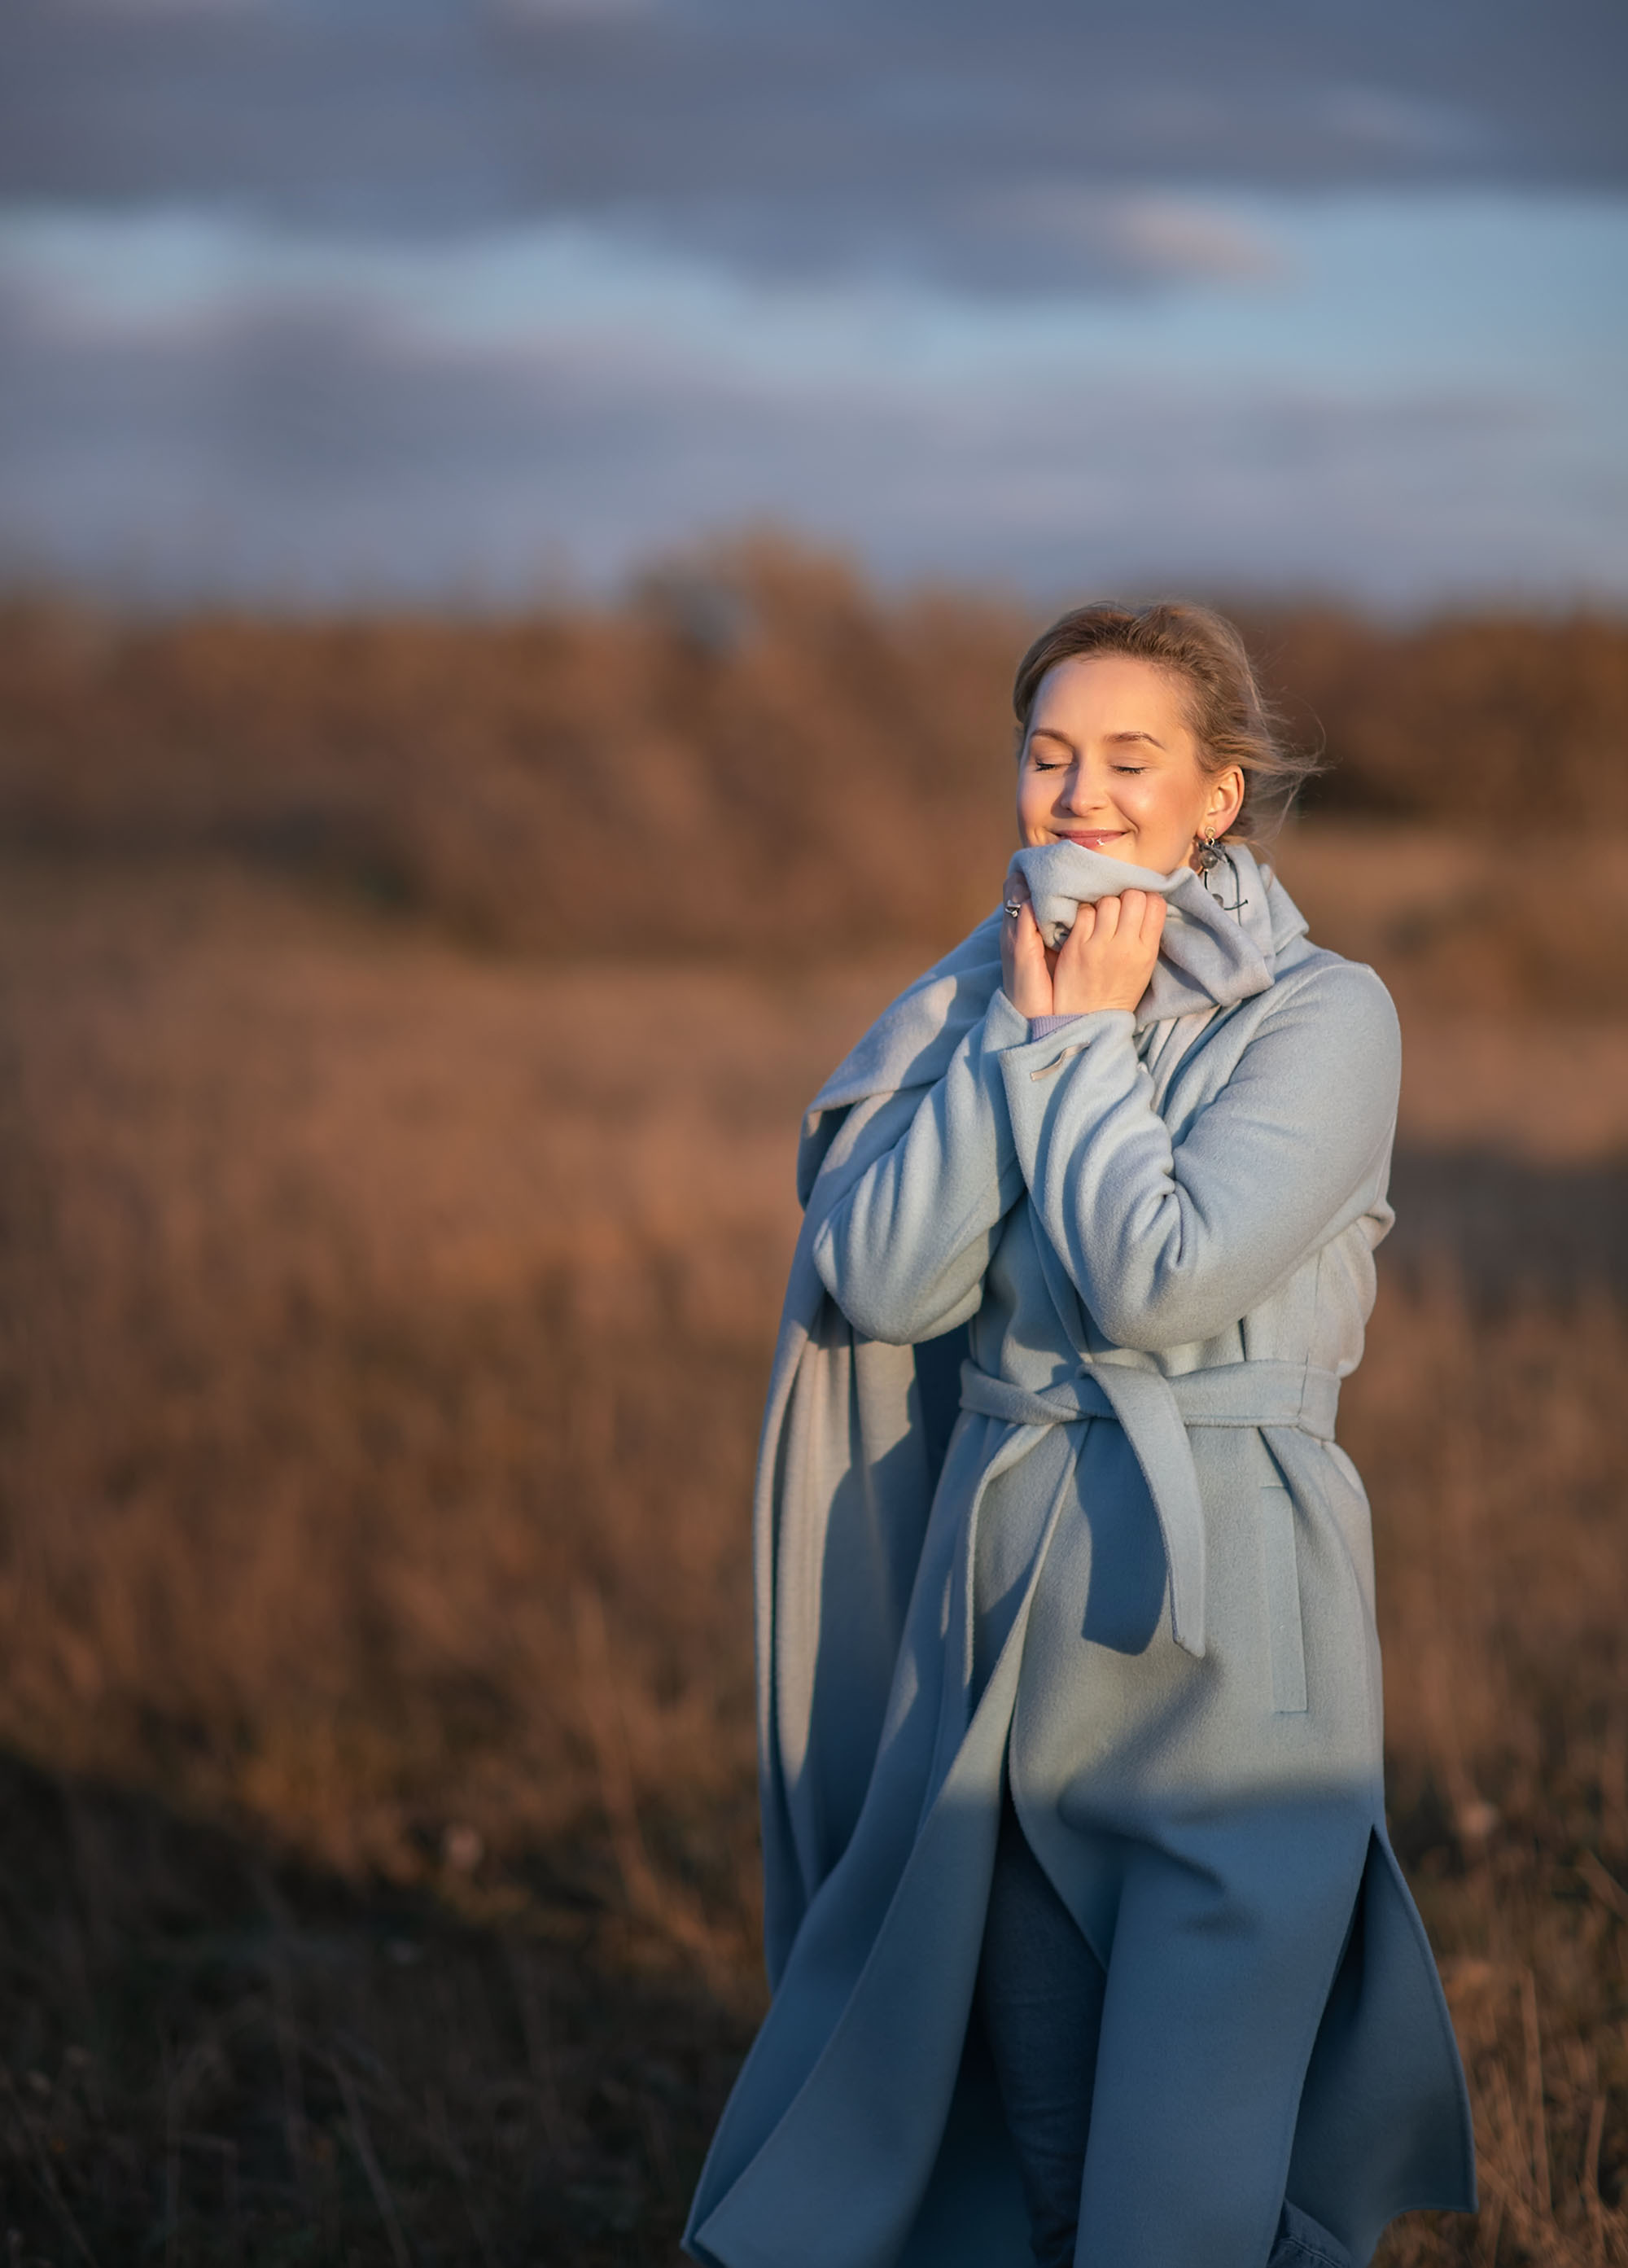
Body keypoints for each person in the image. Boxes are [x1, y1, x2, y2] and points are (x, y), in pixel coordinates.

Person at [685, 602, 1475, 2268]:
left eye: (1131, 758)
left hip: (1227, 1611)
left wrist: (1068, 1045)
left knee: (1184, 2184)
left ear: (1217, 793)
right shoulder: (974, 995)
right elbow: (886, 1276)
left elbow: (1163, 1280)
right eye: (1049, 753)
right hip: (1005, 1615)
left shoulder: (1327, 1015)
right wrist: (1020, 1029)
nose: (1080, 792)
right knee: (1035, 2135)